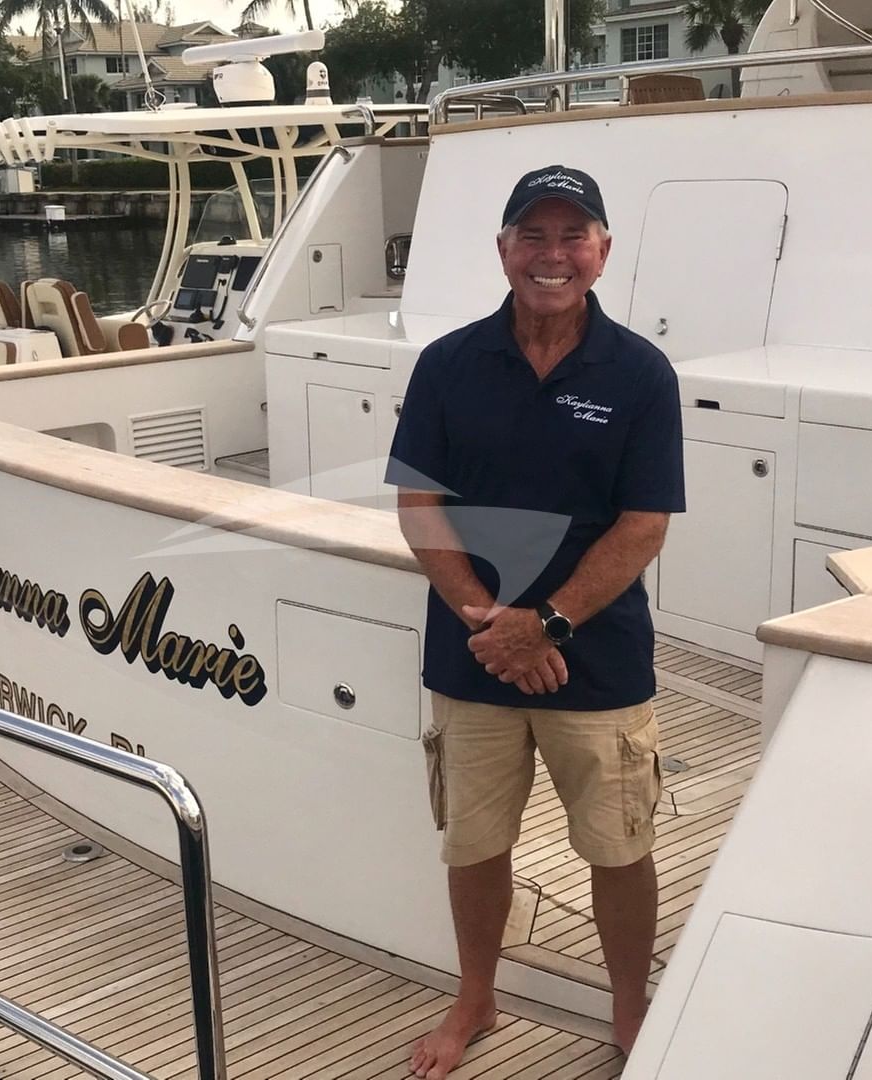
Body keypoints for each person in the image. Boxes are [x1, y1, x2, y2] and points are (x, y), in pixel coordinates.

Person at [386, 165, 685, 1079]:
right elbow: (419, 504)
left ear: (601, 251)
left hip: (597, 661)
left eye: (572, 236)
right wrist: (491, 621)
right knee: (474, 844)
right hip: (473, 651)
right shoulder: (447, 364)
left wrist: (544, 625)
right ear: (505, 249)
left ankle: (630, 1009)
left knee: (618, 846)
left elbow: (644, 526)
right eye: (534, 235)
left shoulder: (640, 373)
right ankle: (477, 997)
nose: (552, 256)